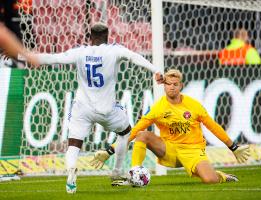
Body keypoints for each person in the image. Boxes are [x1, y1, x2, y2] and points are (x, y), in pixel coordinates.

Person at [31, 23, 164, 193]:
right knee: (125, 133)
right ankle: (117, 173)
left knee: (74, 144)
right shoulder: (114, 50)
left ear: (90, 36)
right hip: (107, 109)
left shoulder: (80, 52)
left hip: (83, 107)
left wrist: (22, 54)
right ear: (107, 35)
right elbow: (134, 57)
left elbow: (53, 58)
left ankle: (71, 173)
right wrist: (156, 70)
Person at [91, 69, 250, 184]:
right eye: (168, 84)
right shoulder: (159, 108)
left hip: (193, 151)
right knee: (142, 135)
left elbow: (213, 126)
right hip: (169, 150)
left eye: (175, 84)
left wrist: (233, 147)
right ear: (164, 85)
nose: (171, 87)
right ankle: (134, 175)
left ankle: (220, 176)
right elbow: (135, 130)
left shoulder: (194, 105)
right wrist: (110, 150)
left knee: (210, 179)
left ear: (181, 85)